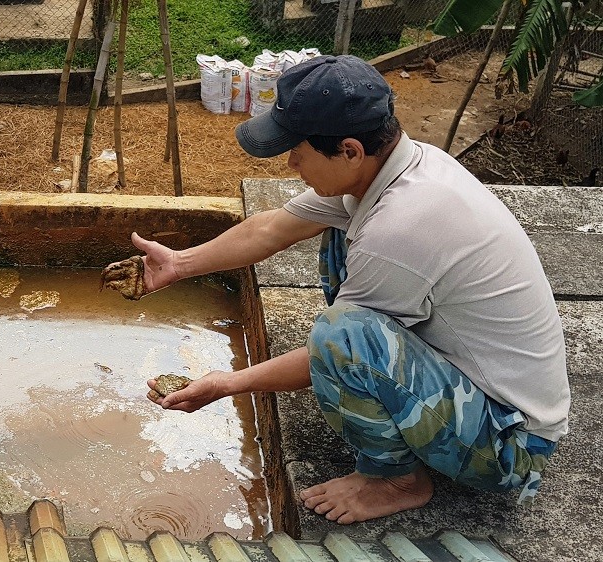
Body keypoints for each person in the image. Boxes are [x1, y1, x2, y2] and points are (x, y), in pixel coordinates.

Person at [126, 55, 570, 524]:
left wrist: (227, 384)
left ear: (351, 150)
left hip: (509, 443)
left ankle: (396, 480)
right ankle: (387, 415)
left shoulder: (402, 228)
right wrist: (178, 264)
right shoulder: (400, 167)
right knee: (337, 232)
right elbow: (270, 230)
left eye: (298, 150)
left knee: (342, 337)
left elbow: (335, 347)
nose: (291, 162)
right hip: (477, 388)